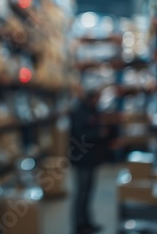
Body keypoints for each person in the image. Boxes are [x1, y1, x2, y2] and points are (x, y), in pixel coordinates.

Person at [69, 90, 106, 234]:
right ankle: (78, 226)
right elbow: (79, 135)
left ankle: (87, 223)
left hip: (92, 159)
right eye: (97, 98)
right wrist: (98, 134)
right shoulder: (79, 112)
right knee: (82, 193)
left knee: (89, 192)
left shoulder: (94, 111)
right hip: (82, 160)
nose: (98, 102)